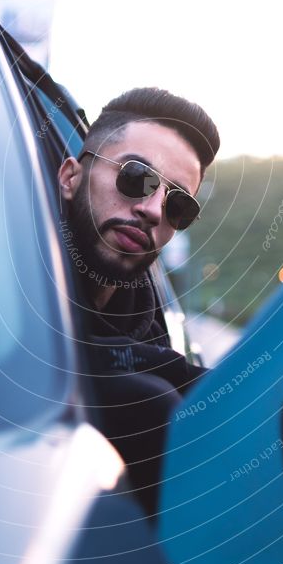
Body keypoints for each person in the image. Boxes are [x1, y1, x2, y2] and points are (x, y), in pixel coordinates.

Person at [58, 87, 220, 514]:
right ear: (71, 177)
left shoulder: (150, 333)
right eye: (135, 177)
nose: (152, 209)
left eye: (178, 205)